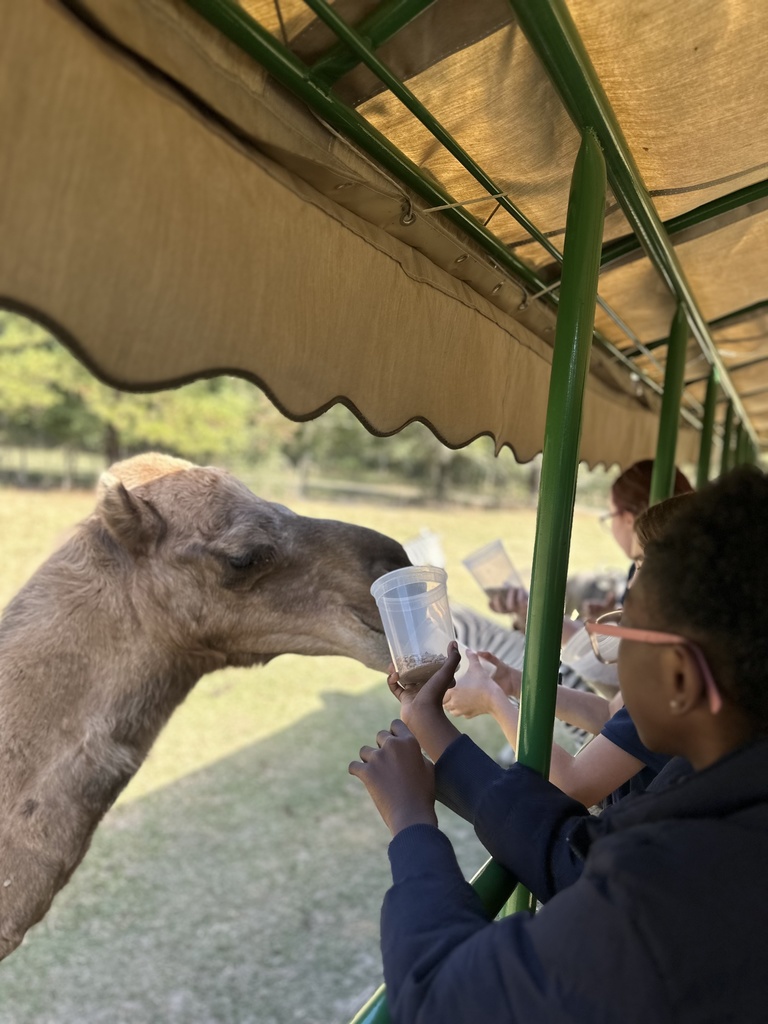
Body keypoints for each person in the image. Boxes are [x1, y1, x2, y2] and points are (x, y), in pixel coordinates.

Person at [349, 466, 768, 1023]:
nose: (608, 649)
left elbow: (439, 1000)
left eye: (624, 628)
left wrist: (410, 825)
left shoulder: (671, 896)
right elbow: (578, 850)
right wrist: (438, 737)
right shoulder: (720, 792)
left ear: (680, 678)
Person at [444, 492, 694, 807]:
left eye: (642, 564)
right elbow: (608, 713)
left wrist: (495, 703)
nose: (631, 583)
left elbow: (575, 784)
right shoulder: (679, 653)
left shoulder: (674, 675)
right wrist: (512, 683)